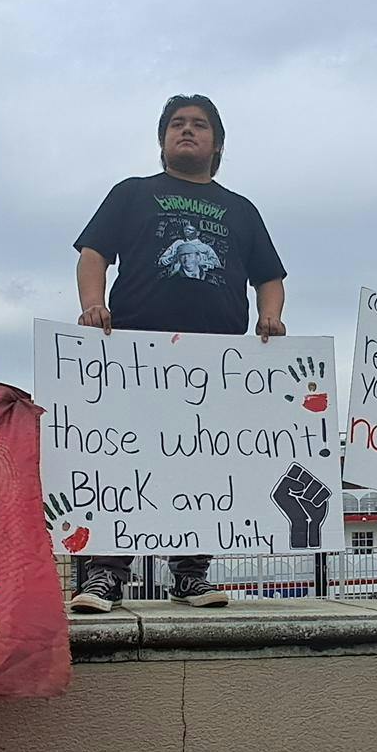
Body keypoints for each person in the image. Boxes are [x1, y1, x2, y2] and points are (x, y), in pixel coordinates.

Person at [68, 95, 288, 613]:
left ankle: (190, 574)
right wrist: (93, 305)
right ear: (163, 138)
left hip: (216, 360)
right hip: (134, 353)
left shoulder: (241, 209)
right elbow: (93, 254)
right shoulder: (132, 194)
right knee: (120, 459)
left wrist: (271, 318)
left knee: (205, 464)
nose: (187, 131)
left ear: (217, 143)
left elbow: (270, 277)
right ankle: (104, 573)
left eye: (199, 125)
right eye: (176, 124)